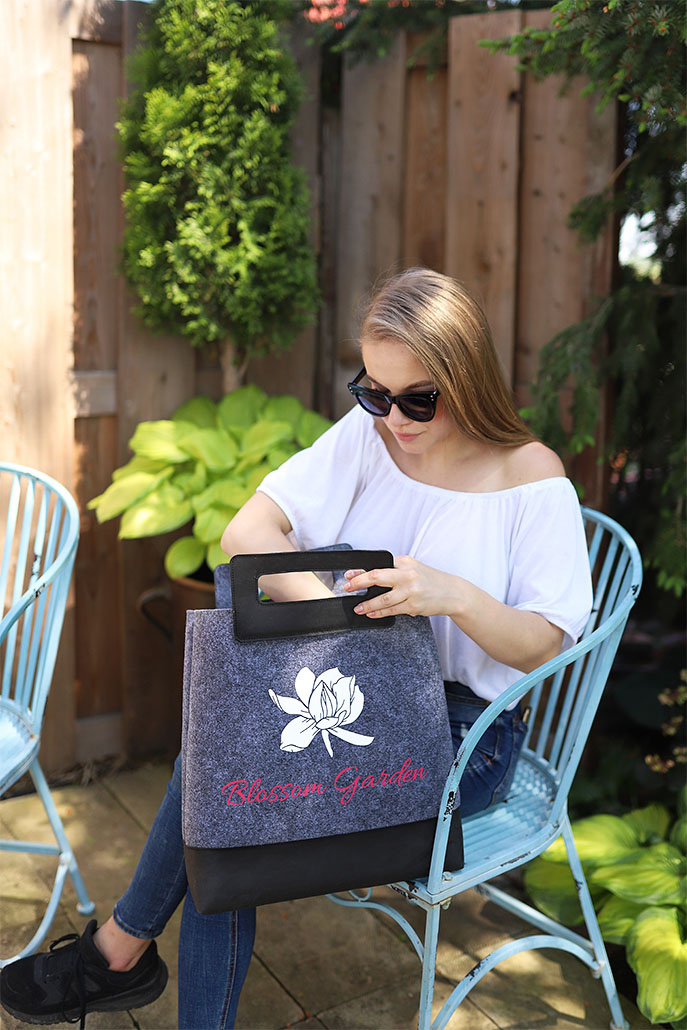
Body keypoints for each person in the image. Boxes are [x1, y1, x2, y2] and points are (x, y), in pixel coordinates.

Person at [0, 268, 593, 1029]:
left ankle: (118, 950)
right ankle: (122, 953)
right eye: (374, 392)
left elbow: (545, 647)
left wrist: (451, 595)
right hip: (350, 690)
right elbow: (245, 533)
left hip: (464, 737)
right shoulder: (369, 439)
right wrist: (345, 621)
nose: (395, 418)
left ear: (467, 377)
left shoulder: (530, 480)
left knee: (220, 789)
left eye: (419, 399)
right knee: (222, 786)